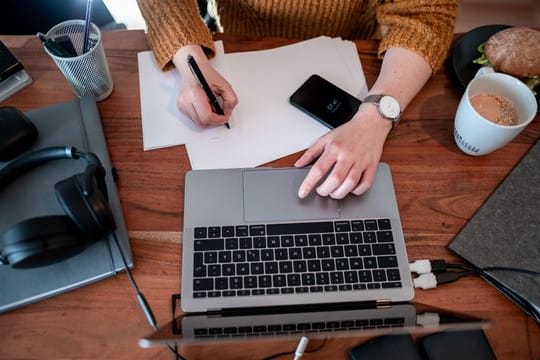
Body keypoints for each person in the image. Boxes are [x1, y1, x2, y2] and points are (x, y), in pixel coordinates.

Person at [137, 0, 460, 199]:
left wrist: (377, 115)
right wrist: (188, 58)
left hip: (356, 46)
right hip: (234, 38)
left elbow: (425, 15)